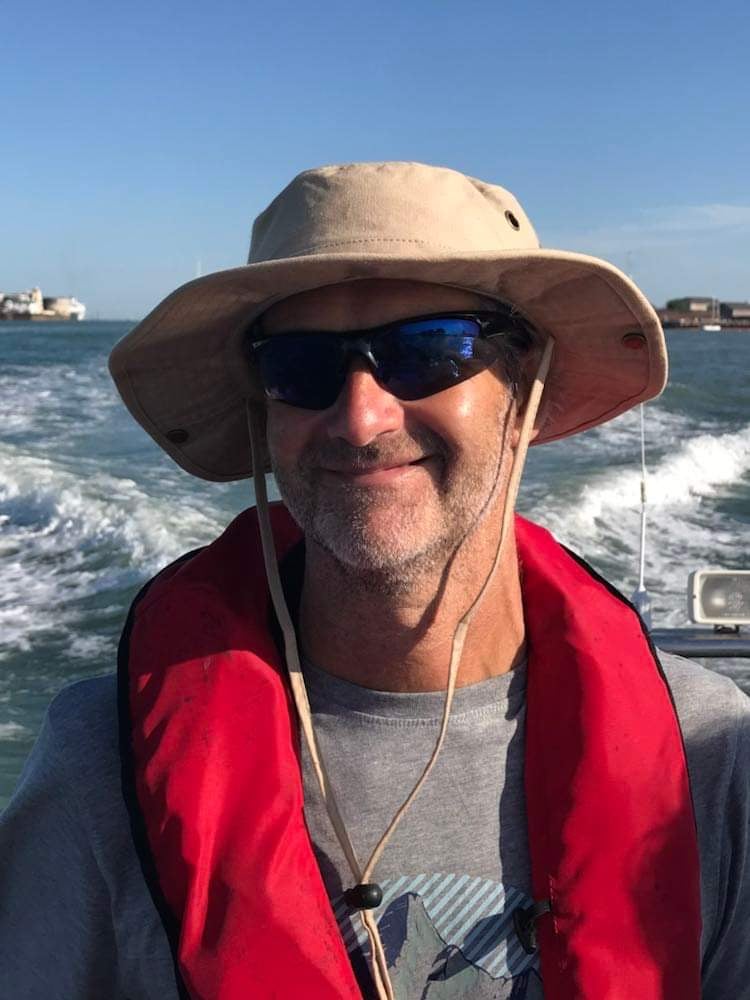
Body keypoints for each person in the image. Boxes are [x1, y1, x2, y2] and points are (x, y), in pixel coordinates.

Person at [1, 162, 748, 1000]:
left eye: (429, 351)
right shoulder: (101, 766)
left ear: (525, 385)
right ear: (264, 407)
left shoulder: (711, 755)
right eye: (301, 367)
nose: (361, 417)